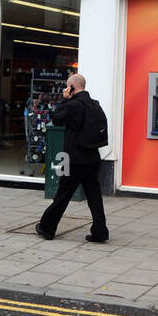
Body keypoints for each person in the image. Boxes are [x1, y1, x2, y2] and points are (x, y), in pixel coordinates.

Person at [36, 73, 109, 243]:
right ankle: (100, 231)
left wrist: (64, 100)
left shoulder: (75, 105)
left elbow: (56, 119)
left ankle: (47, 228)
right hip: (92, 157)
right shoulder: (94, 104)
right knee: (94, 196)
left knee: (63, 193)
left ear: (71, 87)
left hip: (74, 158)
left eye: (67, 87)